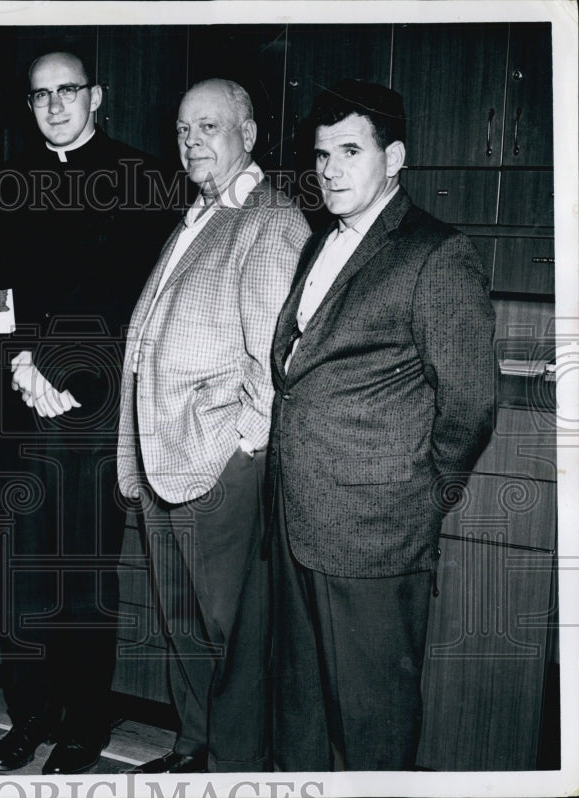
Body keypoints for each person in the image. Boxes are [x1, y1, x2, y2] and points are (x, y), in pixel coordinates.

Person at [268, 79, 496, 770]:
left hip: (376, 532)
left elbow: (472, 401)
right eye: (320, 154)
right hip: (298, 519)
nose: (329, 169)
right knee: (301, 708)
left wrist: (427, 495)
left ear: (393, 157)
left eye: (349, 150)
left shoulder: (435, 254)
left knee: (374, 724)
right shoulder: (318, 245)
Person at [0, 51, 175, 775]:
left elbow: (129, 295)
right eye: (40, 96)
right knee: (26, 573)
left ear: (96, 95)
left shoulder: (140, 175)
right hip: (26, 404)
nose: (55, 105)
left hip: (94, 410)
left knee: (87, 575)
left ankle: (83, 728)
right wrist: (26, 366)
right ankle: (30, 715)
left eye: (68, 91)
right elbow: (5, 284)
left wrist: (68, 377)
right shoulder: (12, 180)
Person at [117, 78, 310, 773]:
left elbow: (275, 356)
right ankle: (194, 747)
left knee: (232, 633)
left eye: (209, 127)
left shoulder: (270, 218)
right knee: (184, 625)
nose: (192, 142)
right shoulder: (200, 213)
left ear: (248, 135)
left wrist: (241, 447)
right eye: (183, 130)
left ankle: (234, 768)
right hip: (165, 461)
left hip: (216, 465)